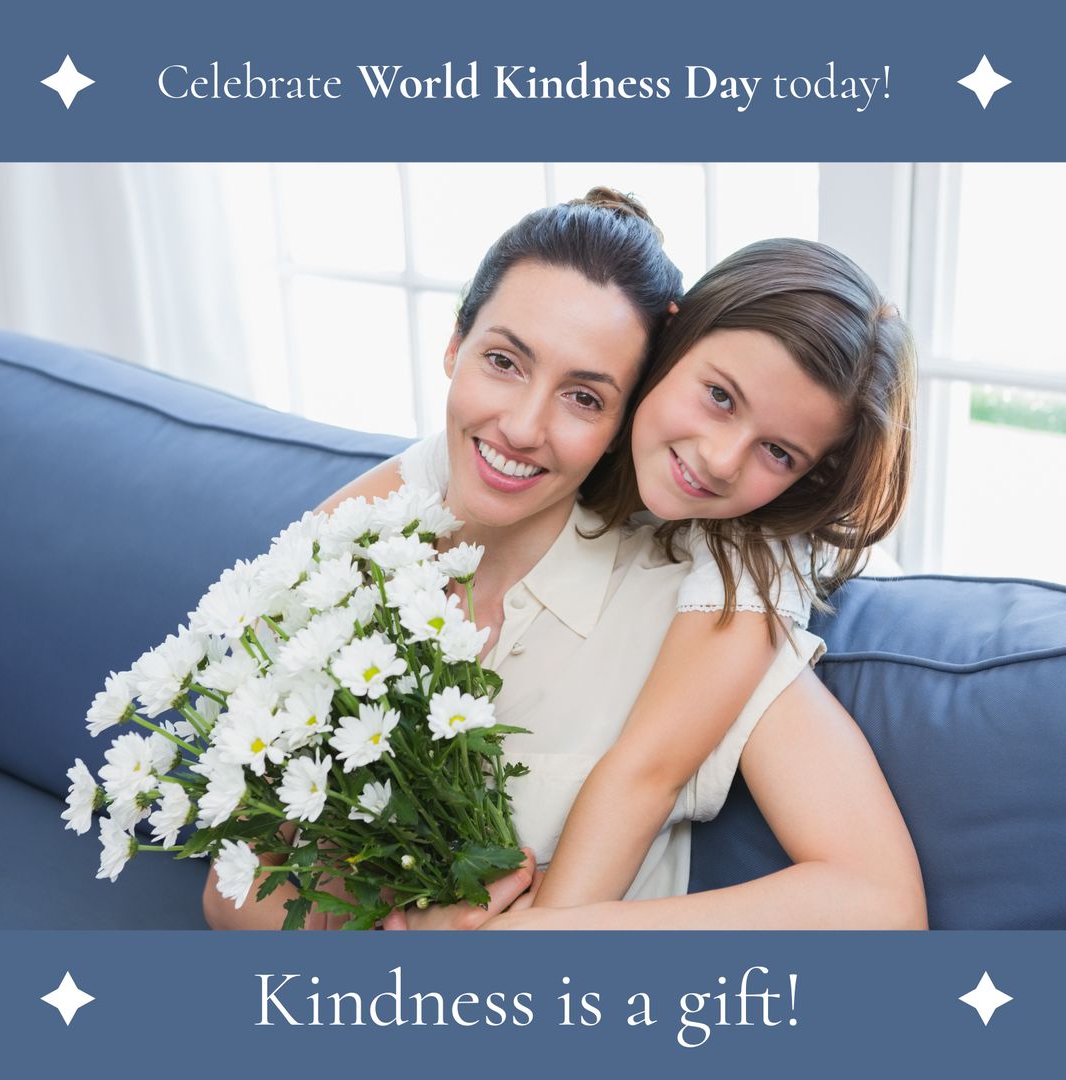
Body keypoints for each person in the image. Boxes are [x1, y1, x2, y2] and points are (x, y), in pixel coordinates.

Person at [203, 191, 924, 930]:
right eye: (503, 360)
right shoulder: (360, 550)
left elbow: (880, 904)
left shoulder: (717, 602)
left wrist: (538, 937)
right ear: (455, 343)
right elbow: (232, 888)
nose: (522, 426)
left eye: (584, 396)